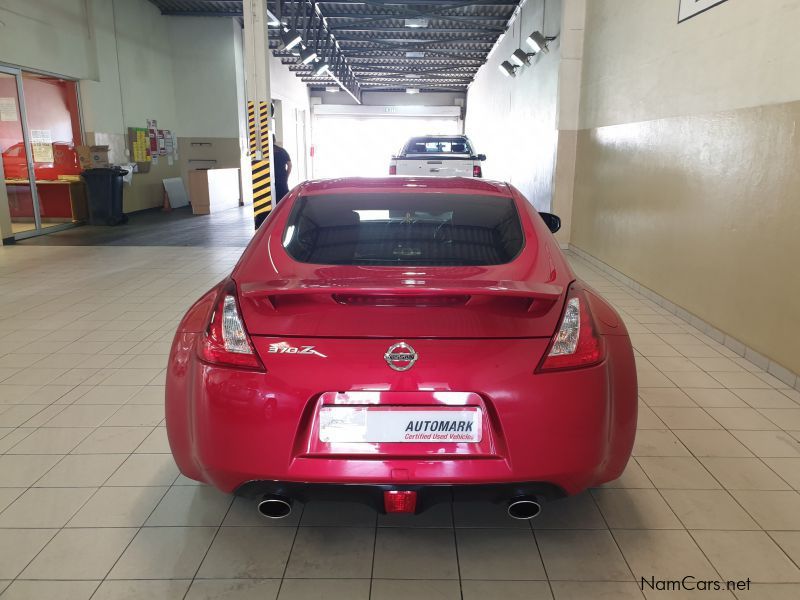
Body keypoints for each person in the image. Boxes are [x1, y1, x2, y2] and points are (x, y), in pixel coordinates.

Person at [273, 136, 291, 205]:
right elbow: (290, 165)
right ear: (274, 140)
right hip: (282, 179)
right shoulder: (282, 151)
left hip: (270, 180)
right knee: (284, 200)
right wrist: (286, 177)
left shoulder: (266, 153)